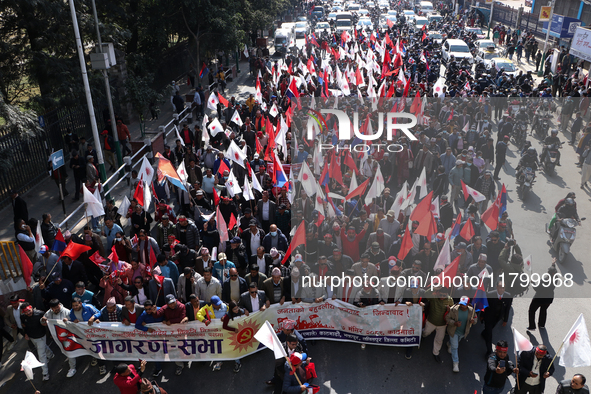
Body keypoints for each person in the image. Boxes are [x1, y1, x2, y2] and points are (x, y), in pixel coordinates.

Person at [41, 299, 77, 377]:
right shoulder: (49, 313)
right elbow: (44, 323)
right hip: (58, 337)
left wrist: (68, 321)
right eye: (54, 308)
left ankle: (72, 368)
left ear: (59, 305)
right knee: (66, 351)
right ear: (51, 308)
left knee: (69, 351)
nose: (56, 309)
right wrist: (42, 320)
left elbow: (74, 323)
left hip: (68, 336)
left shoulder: (67, 312)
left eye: (57, 307)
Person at [20, 302, 54, 381]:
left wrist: (51, 333)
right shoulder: (22, 317)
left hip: (41, 336)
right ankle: (51, 354)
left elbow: (48, 323)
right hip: (32, 337)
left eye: (29, 310)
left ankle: (45, 373)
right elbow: (24, 326)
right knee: (41, 347)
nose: (28, 313)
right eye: (26, 312)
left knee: (41, 355)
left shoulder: (40, 313)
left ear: (31, 307)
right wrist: (25, 334)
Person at [423, 288, 454, 364]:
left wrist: (450, 310)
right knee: (426, 333)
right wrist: (433, 288)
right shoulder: (434, 297)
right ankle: (421, 336)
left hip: (442, 325)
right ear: (438, 292)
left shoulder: (450, 300)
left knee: (439, 339)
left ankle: (436, 353)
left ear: (447, 294)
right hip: (431, 322)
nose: (442, 297)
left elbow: (453, 312)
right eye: (441, 294)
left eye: (444, 295)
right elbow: (426, 294)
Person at [446, 296, 477, 373]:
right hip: (453, 331)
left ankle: (449, 343)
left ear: (467, 304)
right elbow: (447, 318)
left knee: (455, 342)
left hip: (463, 332)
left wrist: (473, 321)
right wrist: (454, 323)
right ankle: (455, 363)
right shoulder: (454, 309)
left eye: (464, 304)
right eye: (461, 304)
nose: (462, 306)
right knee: (455, 347)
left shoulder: (471, 311)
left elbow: (475, 319)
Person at [483, 281, 513, 357]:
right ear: (497, 287)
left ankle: (483, 333)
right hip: (489, 317)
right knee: (489, 334)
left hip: (498, 318)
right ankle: (489, 351)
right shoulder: (490, 294)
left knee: (489, 329)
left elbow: (507, 309)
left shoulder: (508, 296)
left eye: (503, 288)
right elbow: (485, 306)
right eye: (500, 287)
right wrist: (482, 315)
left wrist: (505, 320)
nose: (502, 289)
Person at [528, 262, 558, 331]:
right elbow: (554, 271)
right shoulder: (556, 278)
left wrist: (533, 283)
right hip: (548, 299)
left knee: (532, 310)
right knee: (543, 310)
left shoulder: (544, 280)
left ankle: (532, 326)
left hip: (539, 299)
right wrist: (553, 264)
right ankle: (541, 324)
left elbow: (537, 289)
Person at [221, 301, 247, 372]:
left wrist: (245, 311)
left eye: (237, 308)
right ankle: (237, 362)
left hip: (241, 332)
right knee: (235, 347)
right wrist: (233, 329)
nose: (236, 310)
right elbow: (224, 326)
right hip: (233, 334)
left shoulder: (240, 311)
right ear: (231, 309)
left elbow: (245, 311)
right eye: (234, 309)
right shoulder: (227, 316)